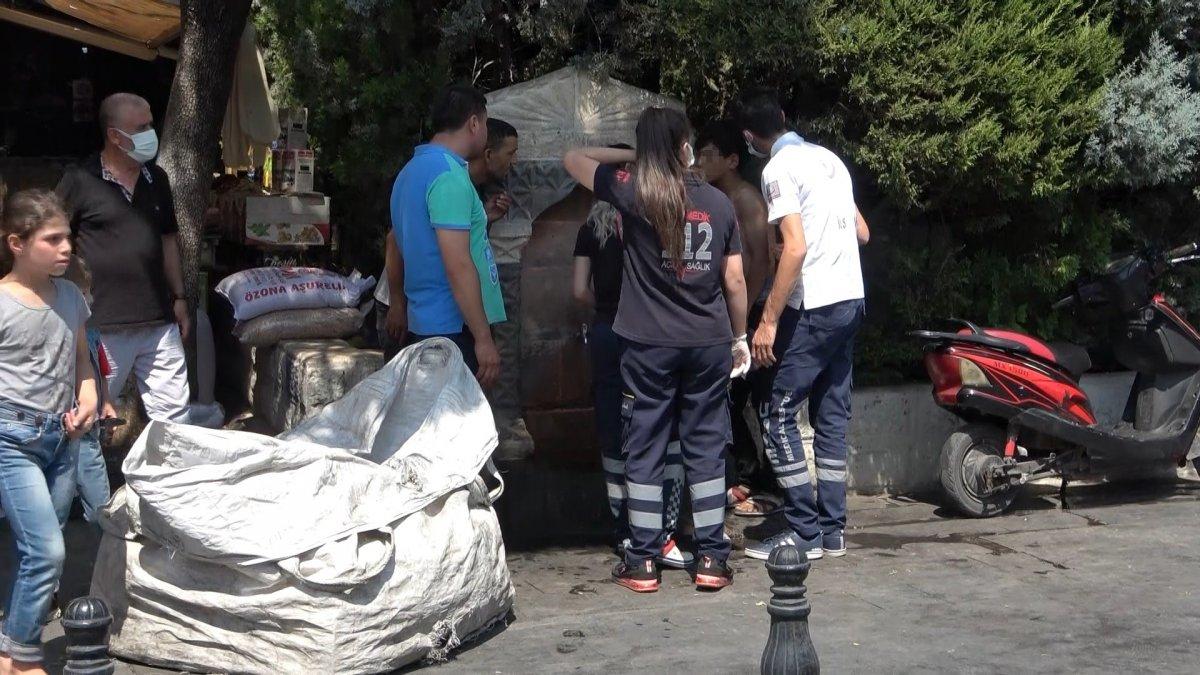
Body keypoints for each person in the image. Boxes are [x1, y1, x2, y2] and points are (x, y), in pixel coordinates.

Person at [564, 107, 749, 593]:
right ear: (685, 145)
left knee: (644, 444)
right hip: (707, 342)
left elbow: (572, 158)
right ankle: (710, 558)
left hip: (645, 344)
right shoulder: (719, 203)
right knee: (706, 447)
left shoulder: (631, 191)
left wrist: (634, 157)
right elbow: (733, 280)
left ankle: (642, 561)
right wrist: (740, 336)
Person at [738, 90, 869, 562]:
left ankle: (803, 530)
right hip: (850, 300)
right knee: (831, 415)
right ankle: (832, 530)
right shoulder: (830, 159)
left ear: (751, 137)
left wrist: (768, 319)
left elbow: (794, 248)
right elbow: (862, 231)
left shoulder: (778, 168)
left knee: (778, 413)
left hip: (813, 306)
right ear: (786, 118)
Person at [572, 144, 691, 570]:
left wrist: (603, 308)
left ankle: (623, 527)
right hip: (651, 333)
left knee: (612, 426)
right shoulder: (653, 221)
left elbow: (577, 290)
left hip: (607, 331)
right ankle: (664, 528)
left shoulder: (591, 228)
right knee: (661, 424)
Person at [0, 189, 98, 675]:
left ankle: (8, 649)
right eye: (52, 239)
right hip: (10, 440)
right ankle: (22, 656)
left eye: (68, 238)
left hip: (61, 439)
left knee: (36, 552)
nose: (66, 248)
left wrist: (90, 399)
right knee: (47, 550)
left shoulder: (72, 297)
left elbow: (81, 360)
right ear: (17, 243)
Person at [54, 93, 192, 423]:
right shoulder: (80, 180)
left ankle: (173, 474)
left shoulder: (156, 179)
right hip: (103, 325)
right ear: (115, 136)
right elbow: (52, 238)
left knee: (175, 420)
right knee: (87, 417)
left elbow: (168, 241)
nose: (151, 133)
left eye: (150, 124)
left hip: (159, 323)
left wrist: (180, 297)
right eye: (142, 127)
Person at [378, 107, 514, 369]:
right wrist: (483, 338)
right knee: (455, 407)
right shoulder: (449, 176)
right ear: (474, 124)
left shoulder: (413, 170)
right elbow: (458, 263)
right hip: (450, 327)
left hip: (431, 321)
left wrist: (484, 218)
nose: (513, 161)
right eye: (510, 153)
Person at [695, 120, 780, 516]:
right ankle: (745, 475)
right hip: (733, 311)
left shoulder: (744, 199)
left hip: (751, 310)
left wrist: (743, 320)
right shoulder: (712, 197)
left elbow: (759, 262)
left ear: (731, 160)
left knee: (736, 396)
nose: (699, 161)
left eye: (708, 154)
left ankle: (752, 476)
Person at [61, 256, 115, 524]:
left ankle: (107, 546)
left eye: (89, 292)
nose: (90, 299)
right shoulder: (52, 333)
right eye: (83, 293)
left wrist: (106, 402)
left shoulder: (91, 334)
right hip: (57, 431)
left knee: (101, 505)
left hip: (88, 430)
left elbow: (99, 369)